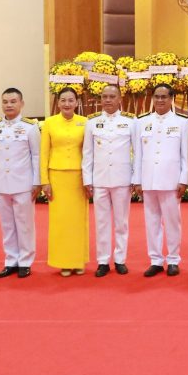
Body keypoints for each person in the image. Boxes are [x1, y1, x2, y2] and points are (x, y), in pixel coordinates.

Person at [0, 87, 41, 278]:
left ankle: (25, 261)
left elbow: (36, 156)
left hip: (23, 184)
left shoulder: (30, 127)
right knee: (7, 225)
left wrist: (37, 182)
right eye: (5, 102)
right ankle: (10, 261)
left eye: (13, 101)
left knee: (25, 224)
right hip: (0, 183)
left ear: (21, 103)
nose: (9, 105)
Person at [132, 83, 188, 277]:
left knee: (173, 222)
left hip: (171, 181)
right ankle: (155, 260)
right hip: (149, 180)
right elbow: (138, 154)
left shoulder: (181, 122)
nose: (160, 100)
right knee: (152, 222)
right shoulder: (142, 122)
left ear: (171, 99)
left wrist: (184, 179)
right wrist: (137, 180)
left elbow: (185, 154)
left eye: (164, 97)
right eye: (157, 96)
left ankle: (173, 259)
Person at [82, 84, 135, 277]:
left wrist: (135, 177)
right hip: (100, 179)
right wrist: (87, 179)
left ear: (120, 99)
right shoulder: (92, 122)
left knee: (121, 223)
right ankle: (103, 261)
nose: (108, 100)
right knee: (101, 223)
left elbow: (137, 152)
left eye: (112, 97)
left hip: (122, 179)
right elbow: (87, 153)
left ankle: (120, 259)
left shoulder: (130, 121)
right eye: (104, 96)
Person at [40, 87, 89, 277]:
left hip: (78, 177)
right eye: (63, 100)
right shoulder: (49, 123)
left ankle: (78, 261)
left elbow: (88, 153)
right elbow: (44, 153)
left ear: (76, 102)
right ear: (58, 102)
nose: (67, 104)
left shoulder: (85, 122)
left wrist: (89, 179)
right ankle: (63, 262)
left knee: (78, 221)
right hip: (57, 177)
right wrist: (44, 181)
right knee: (60, 222)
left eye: (71, 100)